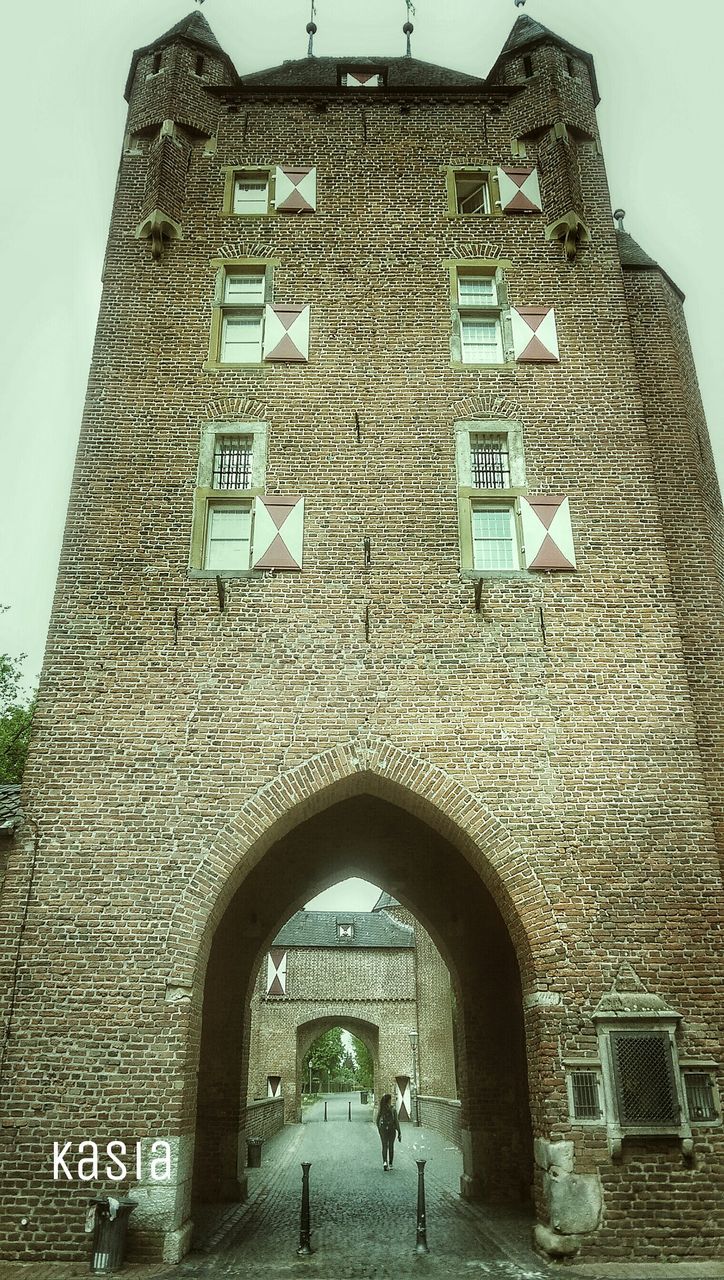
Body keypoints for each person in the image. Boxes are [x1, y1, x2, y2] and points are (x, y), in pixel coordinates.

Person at [376, 1093, 401, 1170]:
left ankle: (384, 1163)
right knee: (391, 1146)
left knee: (384, 1146)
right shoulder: (393, 1109)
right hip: (391, 1129)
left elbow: (377, 1120)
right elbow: (396, 1121)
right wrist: (399, 1132)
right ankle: (390, 1164)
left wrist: (379, 1129)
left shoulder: (381, 1109)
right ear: (389, 1100)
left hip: (383, 1129)